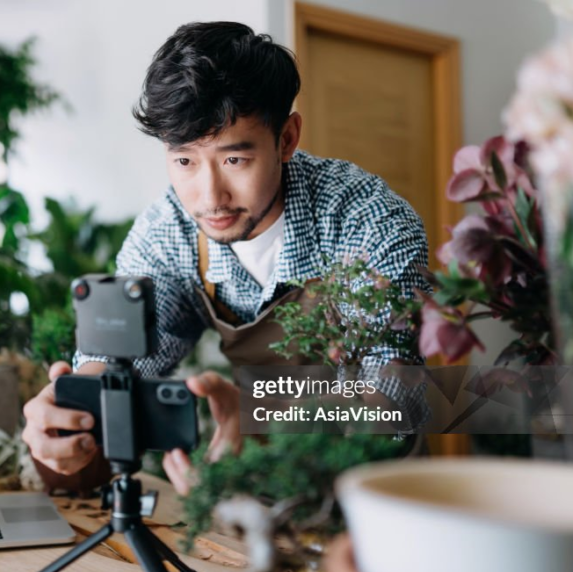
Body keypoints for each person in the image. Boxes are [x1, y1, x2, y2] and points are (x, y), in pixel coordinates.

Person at [21, 21, 430, 496]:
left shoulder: (369, 221)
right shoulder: (168, 232)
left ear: (287, 139)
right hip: (254, 495)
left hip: (383, 489)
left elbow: (394, 403)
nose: (210, 197)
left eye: (234, 160)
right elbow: (121, 362)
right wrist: (73, 411)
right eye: (184, 161)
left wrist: (261, 412)